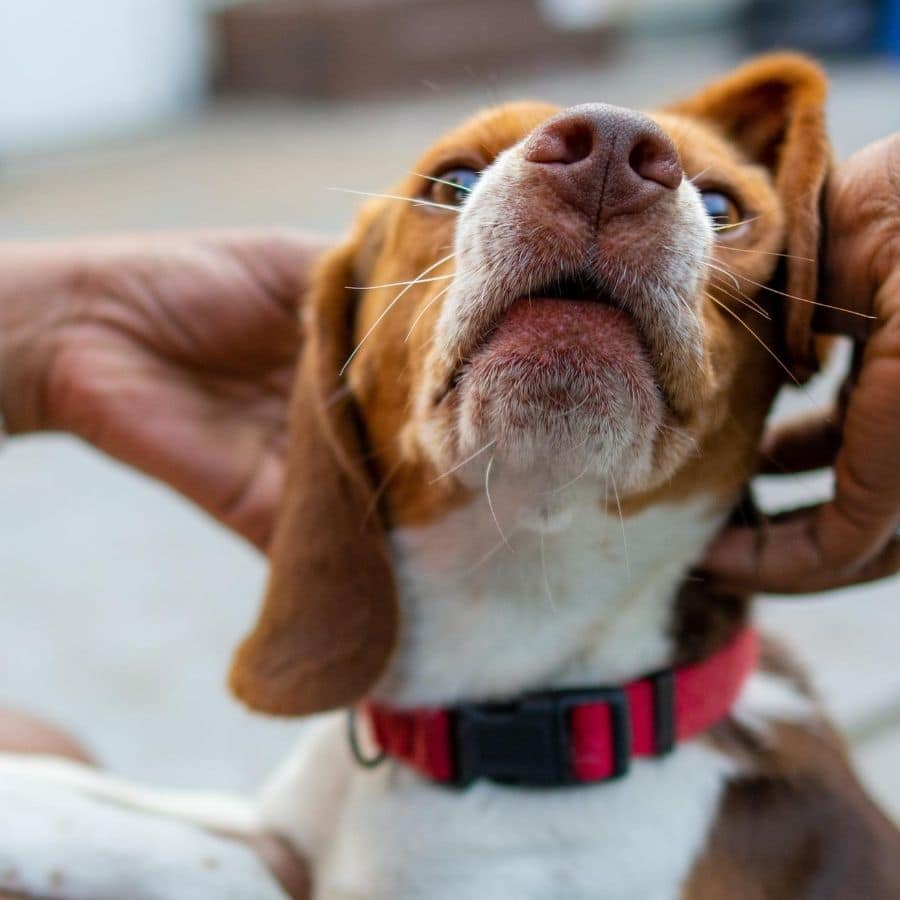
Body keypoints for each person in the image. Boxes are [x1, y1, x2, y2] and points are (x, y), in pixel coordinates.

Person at [0, 136, 897, 895]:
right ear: (350, 369)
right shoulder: (379, 737)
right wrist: (61, 322)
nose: (605, 157)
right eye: (457, 186)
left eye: (719, 205)